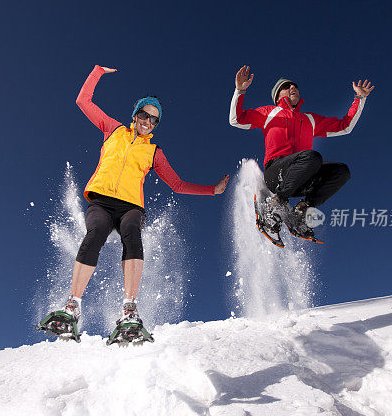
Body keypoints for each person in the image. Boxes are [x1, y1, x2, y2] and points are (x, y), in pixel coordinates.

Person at [53, 64, 228, 334]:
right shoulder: (113, 130)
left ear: (157, 124)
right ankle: (73, 304)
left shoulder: (154, 152)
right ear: (135, 114)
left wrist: (211, 190)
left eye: (154, 119)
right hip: (100, 201)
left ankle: (129, 307)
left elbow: (178, 185)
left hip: (130, 207)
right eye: (144, 114)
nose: (147, 121)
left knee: (132, 232)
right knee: (96, 231)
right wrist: (97, 71)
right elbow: (82, 101)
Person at [229, 66, 374, 242]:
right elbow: (236, 120)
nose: (292, 88)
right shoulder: (269, 112)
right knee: (312, 157)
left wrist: (360, 99)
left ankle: (302, 210)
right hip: (276, 172)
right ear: (277, 96)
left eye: (295, 86)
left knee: (342, 171)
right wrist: (240, 90)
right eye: (286, 86)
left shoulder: (309, 119)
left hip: (301, 178)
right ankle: (274, 205)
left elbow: (345, 126)